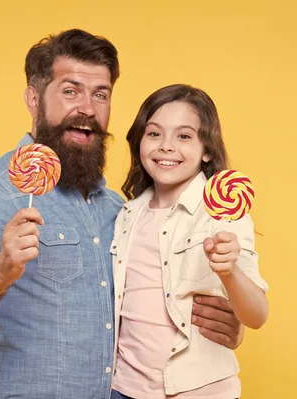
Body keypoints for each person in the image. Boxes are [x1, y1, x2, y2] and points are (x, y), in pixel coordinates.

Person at [0, 29, 245, 399]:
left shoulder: (119, 209)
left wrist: (222, 327)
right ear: (34, 99)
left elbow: (148, 309)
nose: (88, 108)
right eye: (70, 91)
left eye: (101, 94)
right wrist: (2, 270)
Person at [110, 84, 269, 399]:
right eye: (154, 134)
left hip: (198, 390)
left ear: (206, 149)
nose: (166, 146)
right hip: (123, 388)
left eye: (184, 136)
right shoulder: (126, 215)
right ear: (139, 141)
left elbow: (257, 315)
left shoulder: (222, 215)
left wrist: (229, 271)